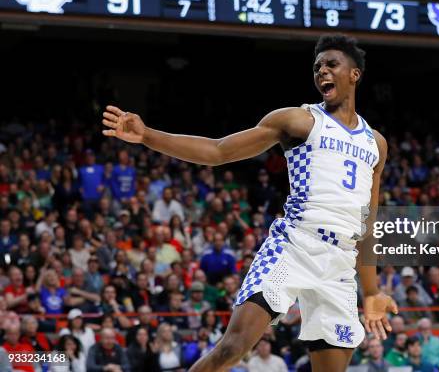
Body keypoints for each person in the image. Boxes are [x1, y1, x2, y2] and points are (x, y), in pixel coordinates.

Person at [102, 34, 396, 372]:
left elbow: (368, 222)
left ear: (354, 74)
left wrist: (372, 291)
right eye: (317, 67)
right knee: (233, 347)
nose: (321, 72)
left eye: (331, 65)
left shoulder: (377, 144)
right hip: (296, 245)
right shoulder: (299, 120)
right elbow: (218, 151)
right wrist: (147, 135)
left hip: (341, 265)